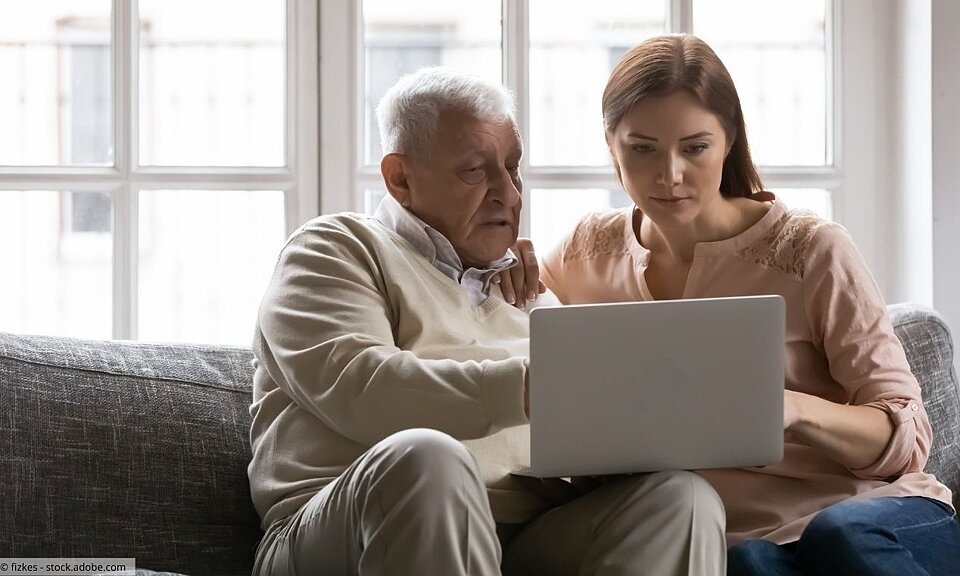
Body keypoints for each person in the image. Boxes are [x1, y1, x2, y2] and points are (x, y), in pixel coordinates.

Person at [247, 66, 727, 576]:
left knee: (683, 499)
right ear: (400, 178)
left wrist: (595, 465)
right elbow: (364, 389)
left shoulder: (525, 288)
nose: (510, 194)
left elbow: (565, 428)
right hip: (342, 529)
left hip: (521, 536)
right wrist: (532, 389)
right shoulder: (334, 249)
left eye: (513, 168)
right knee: (426, 460)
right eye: (475, 171)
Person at [534, 34, 960, 575]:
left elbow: (907, 439)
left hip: (871, 513)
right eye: (642, 148)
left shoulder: (810, 250)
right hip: (733, 539)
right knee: (750, 563)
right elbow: (521, 359)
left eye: (695, 147)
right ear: (610, 144)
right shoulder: (581, 254)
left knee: (839, 535)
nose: (669, 174)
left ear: (729, 139)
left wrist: (792, 409)